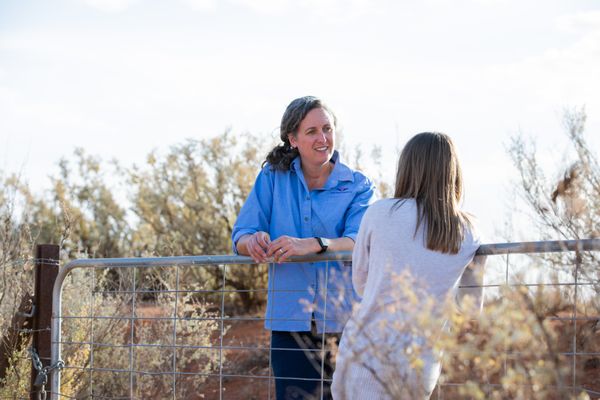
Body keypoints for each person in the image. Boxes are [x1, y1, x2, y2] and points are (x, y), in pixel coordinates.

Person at [232, 96, 376, 399]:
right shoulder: (272, 178)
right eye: (312, 131)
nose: (323, 138)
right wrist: (253, 242)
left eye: (327, 128)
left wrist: (313, 245)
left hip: (344, 320)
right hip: (289, 320)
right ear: (293, 139)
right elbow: (241, 235)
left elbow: (357, 243)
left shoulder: (358, 185)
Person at [331, 132, 485, 399]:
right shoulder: (469, 231)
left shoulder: (380, 213)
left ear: (407, 168)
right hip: (421, 364)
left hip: (366, 353)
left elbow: (361, 281)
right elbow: (470, 307)